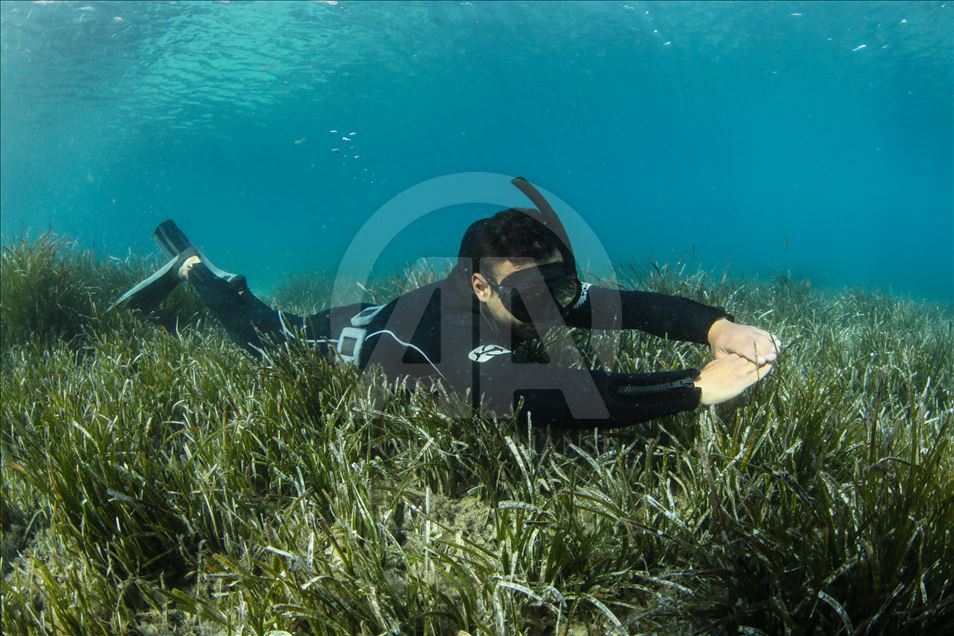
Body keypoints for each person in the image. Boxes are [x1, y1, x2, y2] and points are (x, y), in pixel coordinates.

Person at [115, 177, 780, 430]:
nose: (552, 308)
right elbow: (541, 394)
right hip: (329, 339)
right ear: (480, 286)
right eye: (531, 294)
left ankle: (213, 274)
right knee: (258, 331)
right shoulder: (459, 335)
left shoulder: (534, 291)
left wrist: (720, 327)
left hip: (384, 319)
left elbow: (632, 306)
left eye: (562, 290)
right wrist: (693, 388)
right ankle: (194, 265)